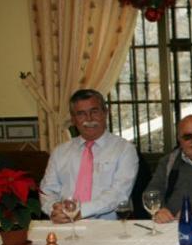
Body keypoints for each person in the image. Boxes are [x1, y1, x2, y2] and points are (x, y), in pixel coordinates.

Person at [40, 89, 138, 222]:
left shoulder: (125, 149)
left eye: (94, 111)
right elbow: (47, 190)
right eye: (81, 114)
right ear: (73, 119)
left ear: (105, 113)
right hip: (63, 225)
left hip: (106, 228)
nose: (89, 119)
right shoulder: (59, 152)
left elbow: (118, 194)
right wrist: (54, 209)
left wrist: (79, 212)